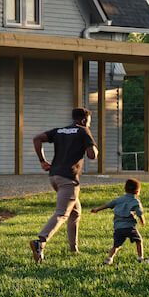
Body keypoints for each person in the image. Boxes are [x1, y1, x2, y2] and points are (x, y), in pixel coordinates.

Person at [29, 106, 97, 263]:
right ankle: (40, 242)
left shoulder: (60, 131)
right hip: (68, 179)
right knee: (62, 213)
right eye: (89, 123)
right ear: (84, 120)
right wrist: (94, 147)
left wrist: (42, 160)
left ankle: (74, 249)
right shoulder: (83, 131)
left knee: (75, 212)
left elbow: (37, 139)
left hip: (54, 176)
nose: (89, 125)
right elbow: (92, 155)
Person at [92, 178, 148, 264]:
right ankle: (140, 257)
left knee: (116, 245)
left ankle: (109, 258)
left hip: (118, 227)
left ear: (125, 190)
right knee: (138, 240)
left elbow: (108, 205)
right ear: (137, 192)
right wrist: (142, 221)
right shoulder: (135, 201)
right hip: (130, 227)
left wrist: (97, 210)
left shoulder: (119, 199)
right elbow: (139, 213)